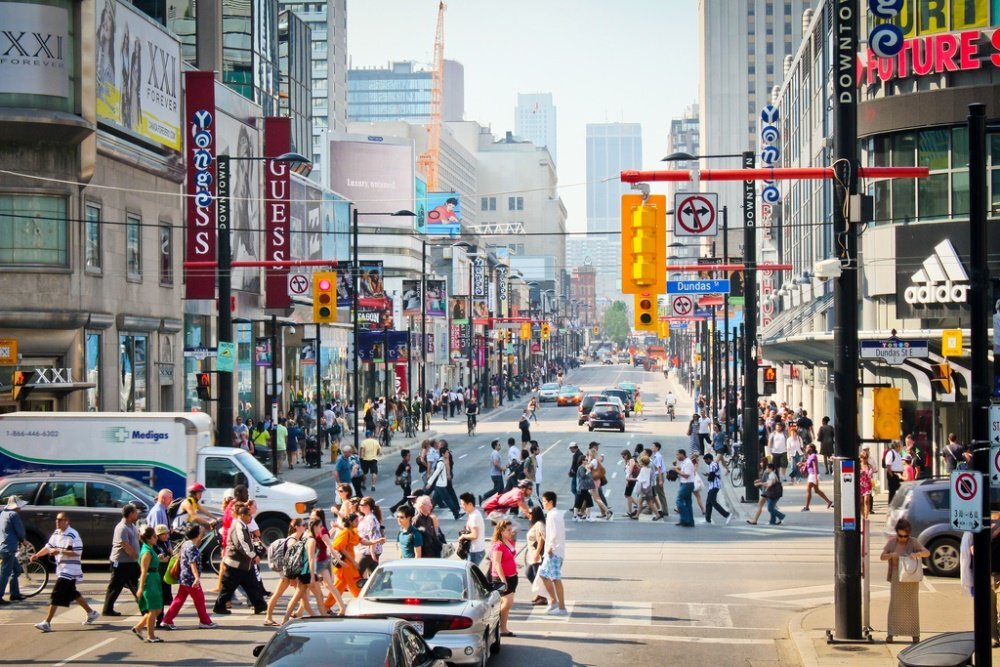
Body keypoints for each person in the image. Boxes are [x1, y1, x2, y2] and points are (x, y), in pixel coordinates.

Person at [29, 513, 100, 632]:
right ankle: (91, 612)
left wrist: (59, 551)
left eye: (60, 520)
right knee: (72, 593)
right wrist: (37, 555)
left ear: (67, 521)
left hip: (70, 569)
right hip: (61, 568)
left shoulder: (73, 534)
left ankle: (47, 622)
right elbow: (48, 546)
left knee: (56, 594)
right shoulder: (57, 533)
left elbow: (77, 552)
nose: (57, 522)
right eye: (56, 520)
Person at [213, 502, 267, 616]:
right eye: (249, 516)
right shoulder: (239, 526)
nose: (250, 518)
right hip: (236, 563)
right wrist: (254, 556)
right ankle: (219, 606)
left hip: (243, 563)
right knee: (228, 587)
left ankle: (259, 605)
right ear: (243, 515)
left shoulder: (241, 525)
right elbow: (242, 545)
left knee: (252, 584)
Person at [881, 518, 929, 643]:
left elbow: (927, 552)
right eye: (900, 535)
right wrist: (892, 555)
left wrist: (916, 554)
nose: (903, 538)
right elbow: (882, 556)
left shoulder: (913, 542)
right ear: (897, 533)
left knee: (912, 605)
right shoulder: (892, 543)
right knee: (895, 605)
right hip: (897, 575)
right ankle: (891, 632)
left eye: (905, 535)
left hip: (911, 577)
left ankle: (914, 633)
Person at [161, 524, 217, 630]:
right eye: (200, 531)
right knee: (199, 599)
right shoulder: (192, 547)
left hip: (184, 577)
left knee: (179, 600)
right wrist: (196, 578)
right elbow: (192, 563)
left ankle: (167, 620)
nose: (202, 532)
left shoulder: (186, 543)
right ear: (196, 534)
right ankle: (205, 621)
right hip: (191, 579)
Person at [103, 503, 140, 616]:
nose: (137, 513)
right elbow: (126, 546)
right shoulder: (122, 527)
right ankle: (107, 609)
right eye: (135, 512)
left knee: (135, 585)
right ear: (130, 514)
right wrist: (138, 558)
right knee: (115, 586)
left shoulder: (132, 526)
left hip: (131, 562)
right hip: (120, 562)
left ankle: (144, 607)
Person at [131, 527, 165, 642]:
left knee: (158, 609)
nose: (156, 538)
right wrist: (140, 588)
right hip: (149, 581)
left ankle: (138, 627)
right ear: (149, 538)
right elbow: (144, 571)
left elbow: (153, 563)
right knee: (153, 609)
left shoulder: (151, 549)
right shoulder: (146, 551)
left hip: (155, 579)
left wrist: (159, 558)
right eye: (154, 536)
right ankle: (151, 636)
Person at [538, 492, 568, 615]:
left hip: (554, 552)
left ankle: (562, 607)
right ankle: (554, 601)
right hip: (553, 551)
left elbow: (554, 533)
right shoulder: (553, 514)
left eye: (544, 501)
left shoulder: (553, 515)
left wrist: (550, 547)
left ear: (550, 502)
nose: (543, 503)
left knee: (555, 579)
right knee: (544, 575)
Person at [490, 519, 519, 637]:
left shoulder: (508, 541)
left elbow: (510, 556)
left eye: (511, 530)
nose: (510, 532)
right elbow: (497, 563)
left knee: (507, 605)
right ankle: (494, 625)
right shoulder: (498, 545)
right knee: (506, 603)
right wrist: (503, 580)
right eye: (508, 530)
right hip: (502, 577)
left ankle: (504, 629)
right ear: (501, 531)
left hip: (512, 576)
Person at [425, 448, 462, 520]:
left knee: (434, 500)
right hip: (440, 485)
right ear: (443, 454)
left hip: (440, 484)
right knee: (447, 499)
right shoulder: (441, 463)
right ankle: (456, 514)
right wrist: (429, 483)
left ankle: (426, 514)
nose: (448, 454)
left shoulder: (444, 461)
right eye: (447, 452)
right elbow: (435, 473)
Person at [356, 498, 385, 577]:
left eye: (361, 505)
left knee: (356, 573)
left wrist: (372, 553)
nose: (359, 506)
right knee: (375, 577)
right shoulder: (366, 517)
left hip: (368, 552)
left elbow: (373, 536)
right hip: (365, 550)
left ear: (368, 506)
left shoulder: (371, 519)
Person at [525, 507, 547, 606]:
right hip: (532, 555)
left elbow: (541, 539)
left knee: (534, 575)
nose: (528, 515)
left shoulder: (539, 524)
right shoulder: (535, 524)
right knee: (529, 574)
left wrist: (537, 553)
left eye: (530, 513)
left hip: (537, 556)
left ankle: (543, 597)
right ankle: (540, 593)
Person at [801, 444, 833, 511]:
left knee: (808, 490)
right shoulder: (809, 456)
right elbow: (808, 464)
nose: (806, 449)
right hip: (812, 475)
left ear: (811, 449)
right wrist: (802, 464)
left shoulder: (813, 456)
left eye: (807, 447)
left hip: (813, 475)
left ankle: (807, 507)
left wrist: (816, 478)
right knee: (816, 490)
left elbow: (815, 467)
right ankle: (829, 501)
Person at [458, 493, 487, 566]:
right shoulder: (474, 513)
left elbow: (474, 535)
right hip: (475, 550)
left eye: (463, 504)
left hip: (475, 551)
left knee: (470, 574)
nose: (462, 506)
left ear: (470, 504)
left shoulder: (474, 517)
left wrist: (463, 536)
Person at [703, 453, 731, 524]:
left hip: (714, 486)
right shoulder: (714, 464)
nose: (705, 462)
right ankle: (707, 518)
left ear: (709, 459)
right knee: (708, 502)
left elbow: (712, 476)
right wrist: (709, 475)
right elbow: (714, 474)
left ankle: (727, 514)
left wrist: (709, 477)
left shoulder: (712, 465)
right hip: (713, 486)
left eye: (706, 460)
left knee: (713, 502)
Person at [674, 450, 696, 527]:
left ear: (682, 454)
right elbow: (683, 469)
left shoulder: (688, 463)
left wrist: (677, 471)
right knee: (688, 503)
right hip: (686, 484)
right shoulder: (684, 462)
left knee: (678, 500)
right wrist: (677, 467)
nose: (677, 457)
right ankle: (689, 521)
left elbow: (686, 475)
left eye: (677, 455)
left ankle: (685, 519)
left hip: (687, 484)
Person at [859, 448, 878, 519]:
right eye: (863, 458)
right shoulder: (858, 466)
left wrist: (871, 474)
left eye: (865, 458)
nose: (864, 459)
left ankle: (866, 517)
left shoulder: (869, 466)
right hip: (860, 485)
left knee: (866, 500)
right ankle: (863, 515)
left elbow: (874, 472)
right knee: (861, 502)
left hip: (867, 485)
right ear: (860, 458)